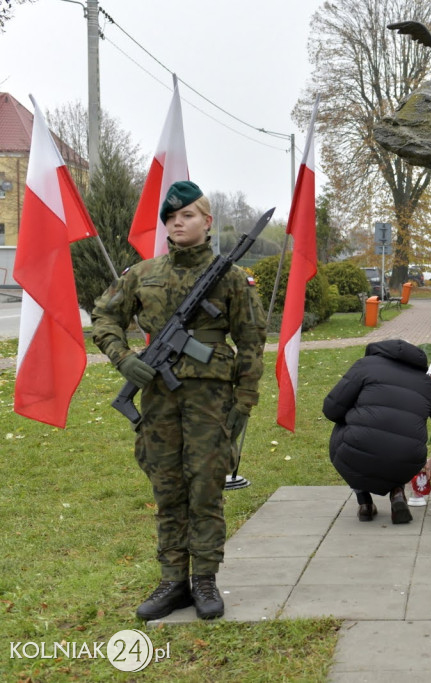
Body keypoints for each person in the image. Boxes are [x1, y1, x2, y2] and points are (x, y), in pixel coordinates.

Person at [92, 181, 266, 621]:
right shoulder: (142, 273)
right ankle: (172, 581)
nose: (177, 222)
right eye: (171, 218)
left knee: (206, 488)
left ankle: (204, 580)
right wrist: (124, 359)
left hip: (211, 402)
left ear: (207, 222)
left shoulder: (230, 277)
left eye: (187, 215)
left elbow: (251, 340)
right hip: (157, 401)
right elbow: (104, 318)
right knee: (167, 488)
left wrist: (244, 402)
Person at [323, 339, 431, 523]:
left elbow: (331, 409)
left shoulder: (365, 366)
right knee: (396, 447)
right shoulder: (426, 383)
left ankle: (364, 503)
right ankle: (397, 493)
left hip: (354, 452)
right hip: (407, 461)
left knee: (344, 432)